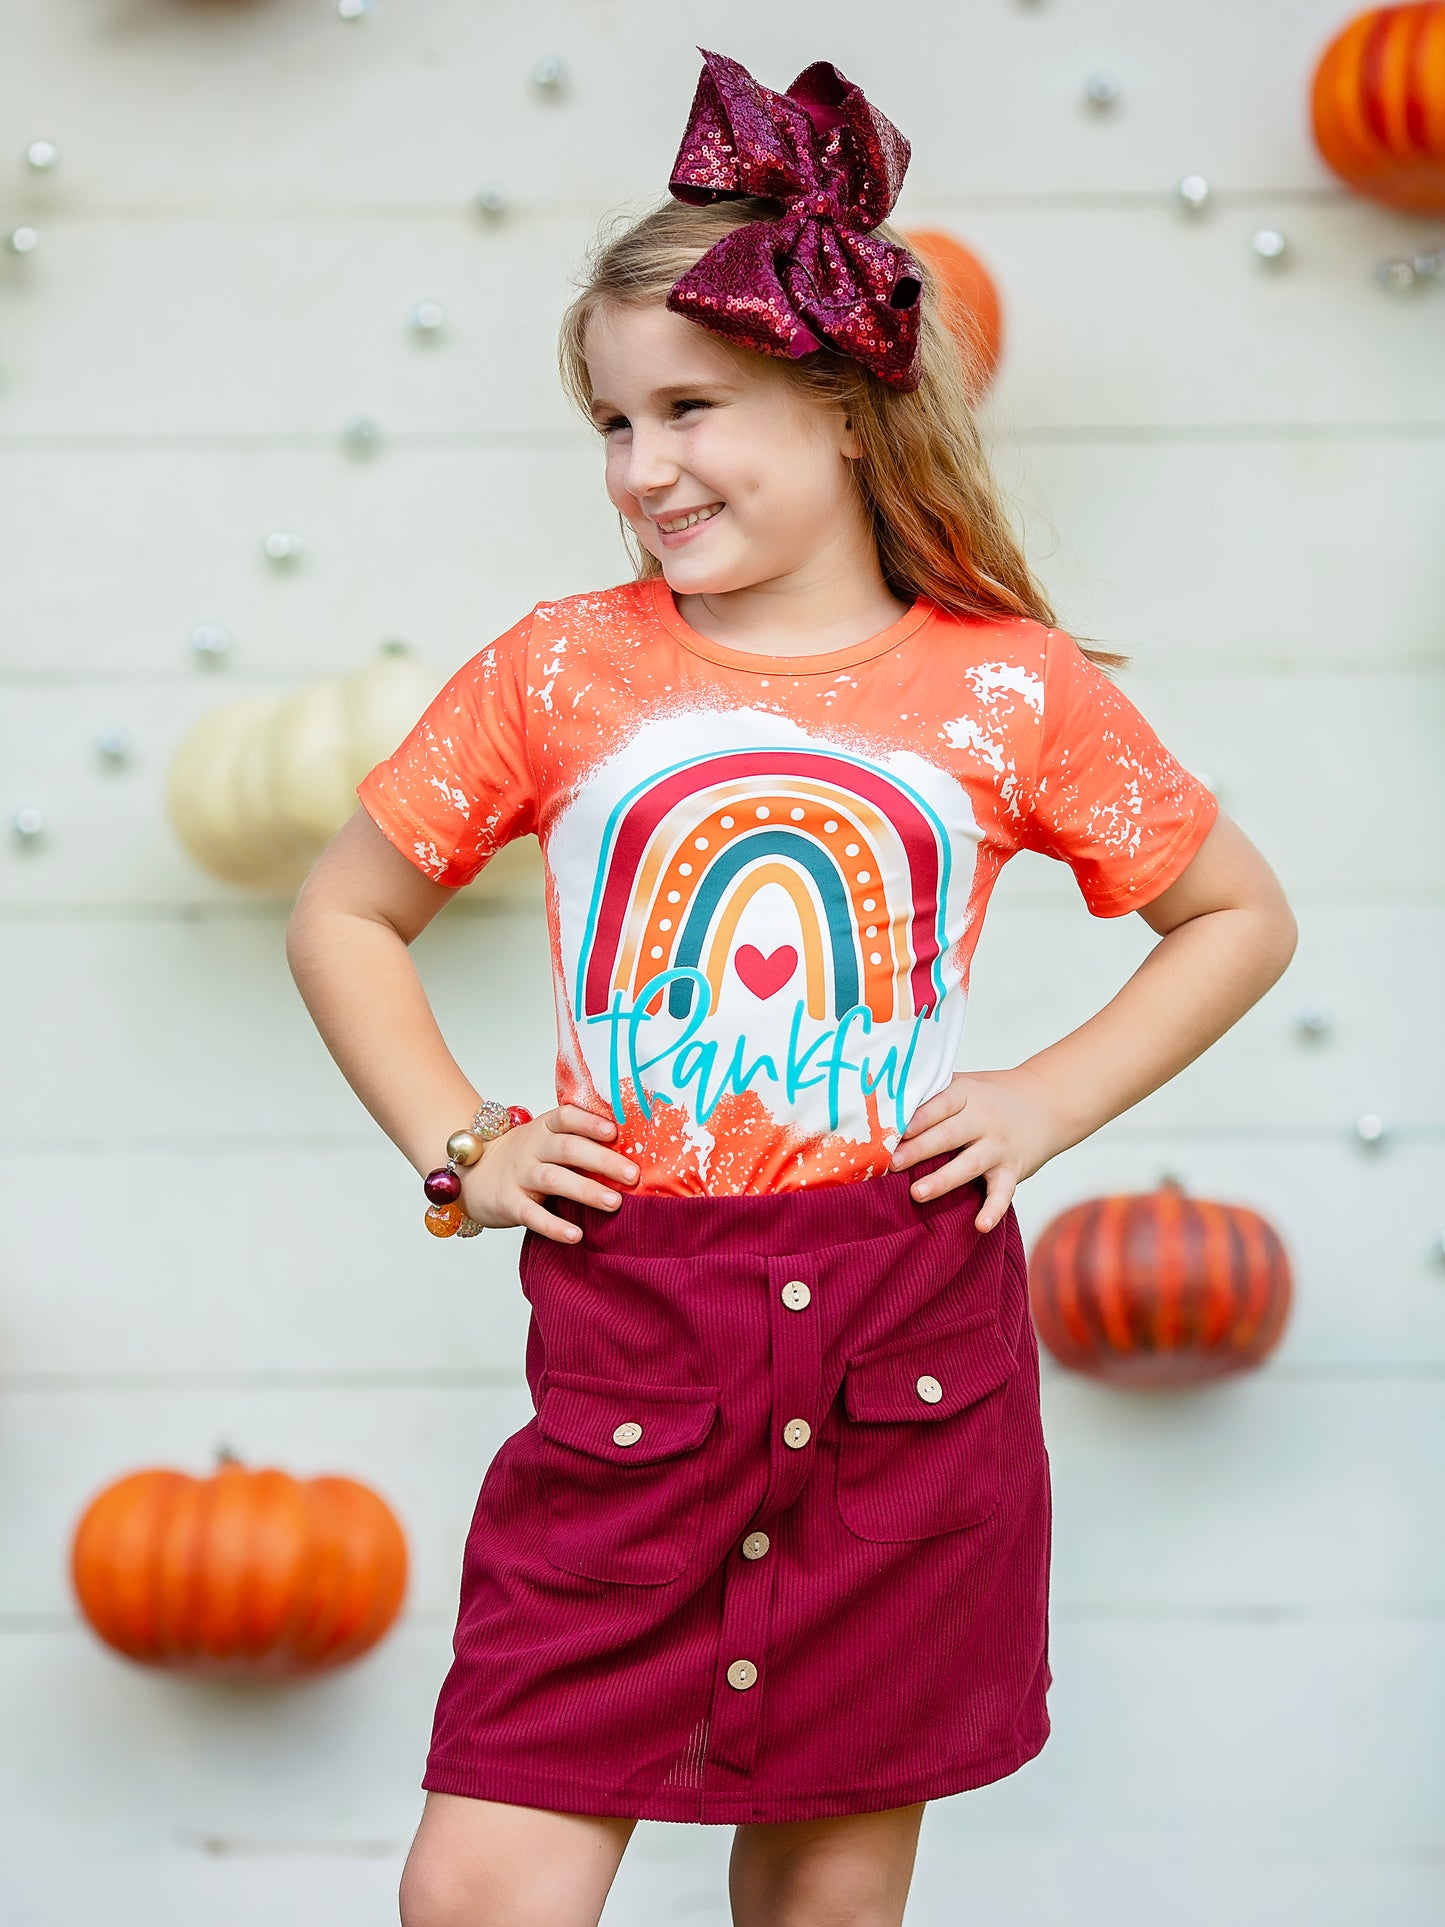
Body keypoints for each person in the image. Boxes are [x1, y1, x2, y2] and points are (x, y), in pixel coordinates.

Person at [285, 49, 1297, 1927]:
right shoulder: (561, 673)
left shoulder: (1005, 688)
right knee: (481, 1886)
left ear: (843, 407)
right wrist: (465, 1145)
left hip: (902, 1326)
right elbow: (344, 915)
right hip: (632, 1342)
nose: (643, 467)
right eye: (611, 422)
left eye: (691, 406)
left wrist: (1045, 1099)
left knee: (826, 1898)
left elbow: (1237, 914)